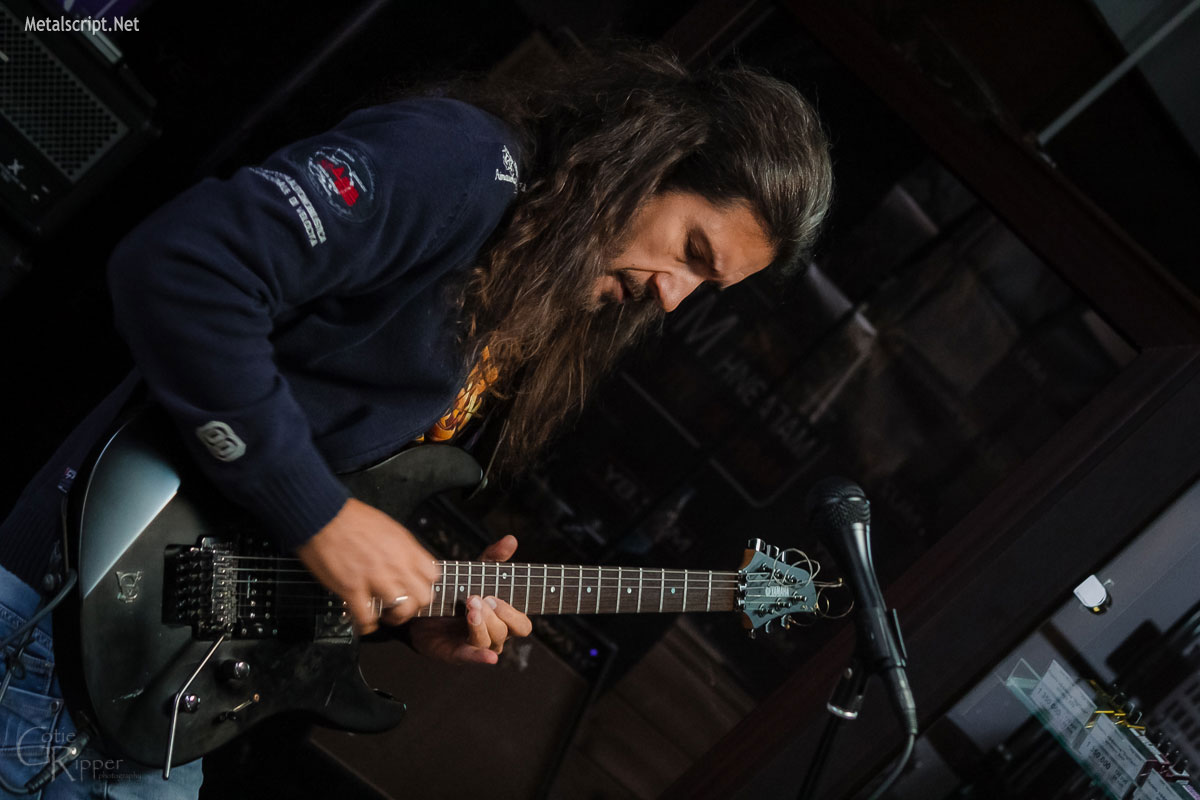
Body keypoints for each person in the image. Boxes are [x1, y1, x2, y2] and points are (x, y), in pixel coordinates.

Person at [0, 45, 832, 796]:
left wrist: (406, 610)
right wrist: (320, 516)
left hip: (165, 695)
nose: (674, 297)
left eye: (706, 286)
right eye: (691, 251)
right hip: (56, 622)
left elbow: (306, 491)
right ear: (648, 160)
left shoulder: (526, 281)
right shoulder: (458, 161)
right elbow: (184, 266)